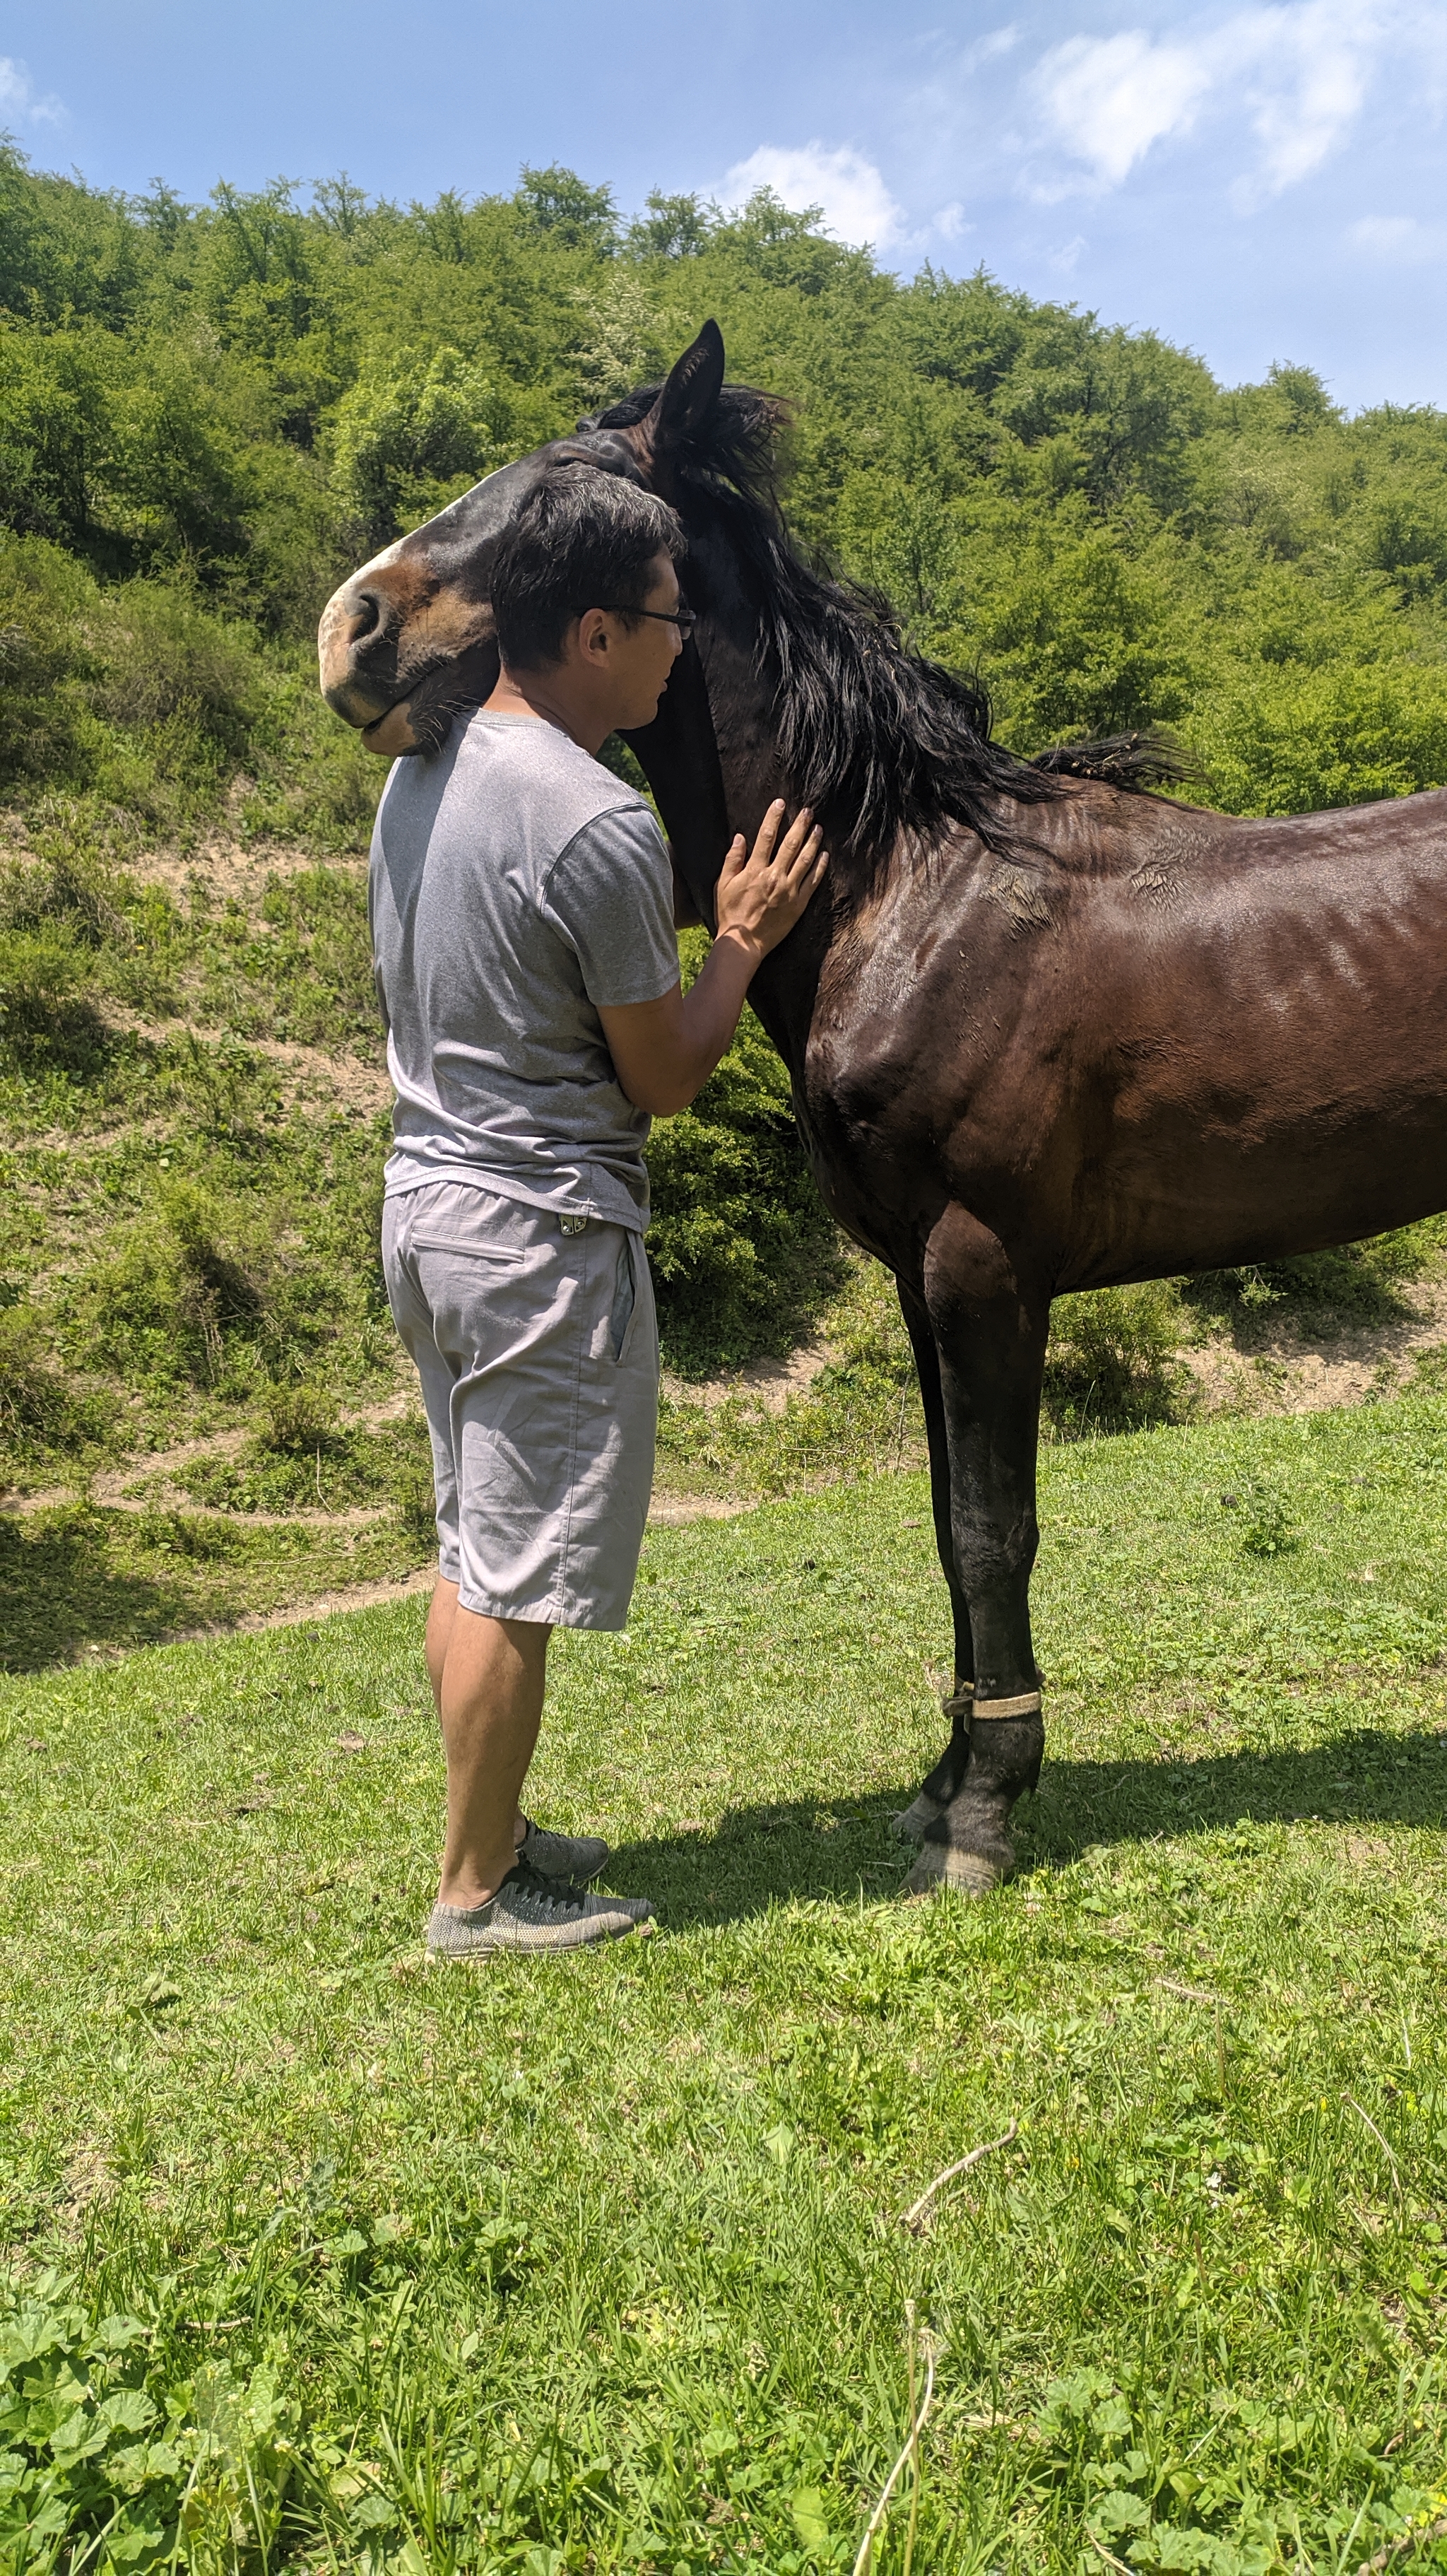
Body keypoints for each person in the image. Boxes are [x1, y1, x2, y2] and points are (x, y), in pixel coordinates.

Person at [370, 463, 827, 1958]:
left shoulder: (425, 763)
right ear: (586, 634)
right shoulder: (595, 822)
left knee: (467, 1539)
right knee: (511, 1577)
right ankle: (474, 1894)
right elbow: (668, 1074)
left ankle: (488, 1828)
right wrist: (744, 938)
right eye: (661, 618)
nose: (681, 642)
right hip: (538, 1236)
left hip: (428, 1208)